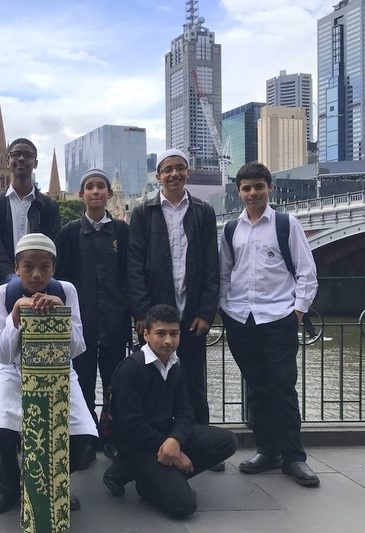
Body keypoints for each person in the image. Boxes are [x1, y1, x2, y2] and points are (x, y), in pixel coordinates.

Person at [219, 161, 320, 487]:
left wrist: (298, 313)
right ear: (239, 192)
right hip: (240, 318)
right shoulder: (231, 229)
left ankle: (294, 458)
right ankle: (267, 451)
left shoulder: (286, 223)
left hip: (278, 318)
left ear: (269, 188)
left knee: (282, 388)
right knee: (258, 389)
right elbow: (224, 274)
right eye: (246, 188)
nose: (252, 193)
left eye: (258, 187)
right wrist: (224, 308)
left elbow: (307, 271)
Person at [0, 233, 97, 514]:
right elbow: (1, 354)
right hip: (13, 372)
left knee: (82, 435)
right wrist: (15, 317)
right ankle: (8, 484)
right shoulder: (1, 295)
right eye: (28, 266)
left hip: (58, 370)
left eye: (44, 267)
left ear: (53, 268)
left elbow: (77, 348)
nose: (36, 274)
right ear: (16, 267)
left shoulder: (66, 291)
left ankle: (56, 482)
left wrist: (61, 314)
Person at [103, 304, 237, 519]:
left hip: (165, 437)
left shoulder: (175, 365)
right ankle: (143, 480)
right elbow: (130, 423)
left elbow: (185, 411)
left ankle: (146, 476)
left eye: (174, 334)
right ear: (146, 334)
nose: (168, 340)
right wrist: (170, 451)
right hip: (136, 445)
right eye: (161, 333)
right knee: (184, 506)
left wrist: (175, 440)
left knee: (227, 441)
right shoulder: (131, 369)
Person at [127, 148, 220, 444]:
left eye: (180, 168)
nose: (174, 174)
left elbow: (211, 265)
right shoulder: (143, 212)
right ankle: (154, 441)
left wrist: (206, 312)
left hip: (191, 316)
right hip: (156, 317)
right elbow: (135, 266)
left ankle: (199, 441)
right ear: (158, 176)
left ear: (188, 173)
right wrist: (142, 313)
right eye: (167, 169)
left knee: (193, 382)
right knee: (151, 381)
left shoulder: (203, 212)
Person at [56, 168, 131, 465]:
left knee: (115, 386)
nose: (96, 191)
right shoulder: (70, 232)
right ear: (82, 194)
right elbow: (61, 279)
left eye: (101, 186)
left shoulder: (122, 232)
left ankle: (111, 438)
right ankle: (85, 443)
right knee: (82, 385)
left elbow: (130, 275)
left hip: (114, 323)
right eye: (90, 187)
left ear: (109, 194)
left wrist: (132, 313)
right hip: (81, 326)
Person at [0, 138, 61, 285]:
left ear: (36, 163)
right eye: (16, 154)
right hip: (3, 285)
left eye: (27, 155)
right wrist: (12, 279)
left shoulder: (49, 206)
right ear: (7, 161)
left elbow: (53, 246)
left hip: (41, 285)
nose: (21, 158)